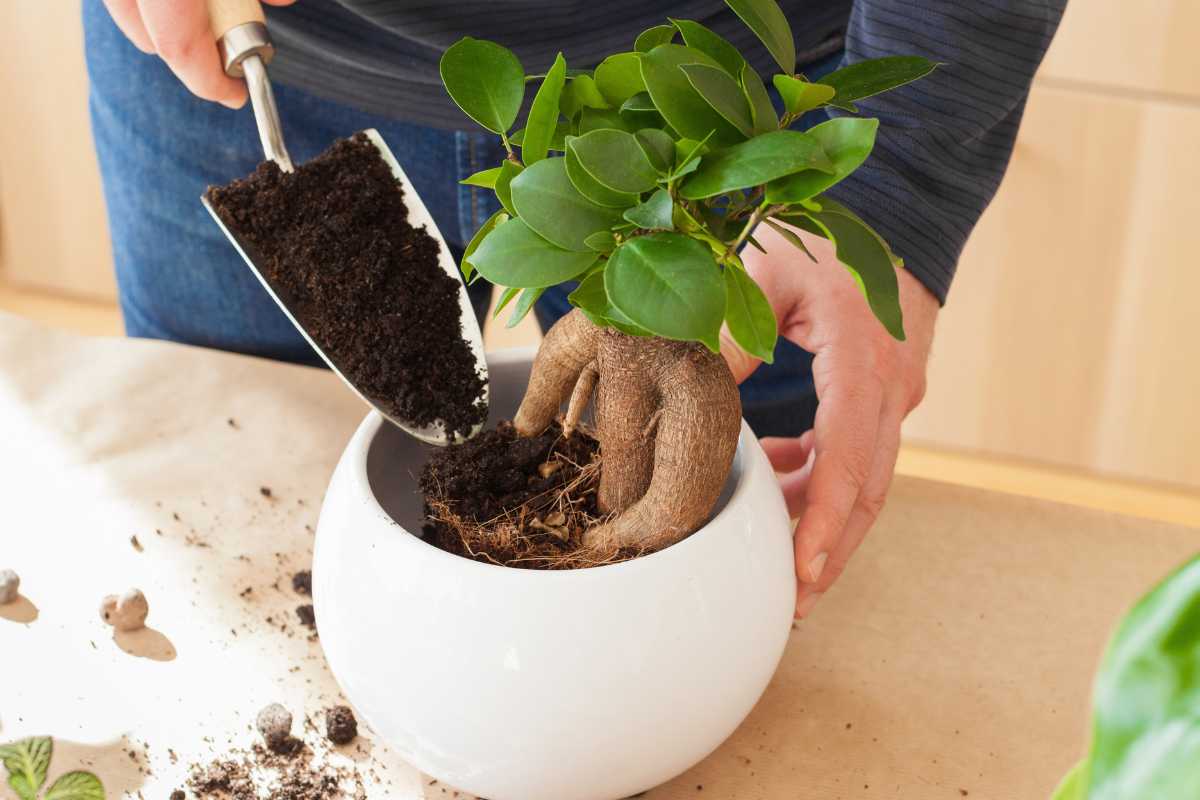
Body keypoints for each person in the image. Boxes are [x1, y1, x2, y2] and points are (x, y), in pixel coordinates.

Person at [88, 0, 1065, 617]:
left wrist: (896, 180)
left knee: (704, 597)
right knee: (225, 554)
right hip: (237, 53)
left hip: (726, 114)